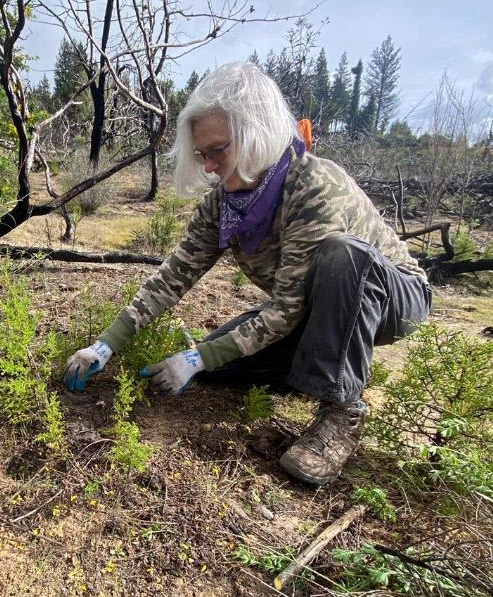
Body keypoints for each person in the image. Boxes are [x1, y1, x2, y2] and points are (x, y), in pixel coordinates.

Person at [64, 62, 431, 486]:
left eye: (217, 150)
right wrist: (106, 345)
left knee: (340, 254)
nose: (209, 166)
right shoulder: (224, 205)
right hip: (313, 309)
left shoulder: (312, 185)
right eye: (202, 154)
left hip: (390, 298)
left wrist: (197, 357)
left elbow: (289, 305)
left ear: (256, 131)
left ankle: (342, 411)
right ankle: (308, 370)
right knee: (218, 368)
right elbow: (172, 276)